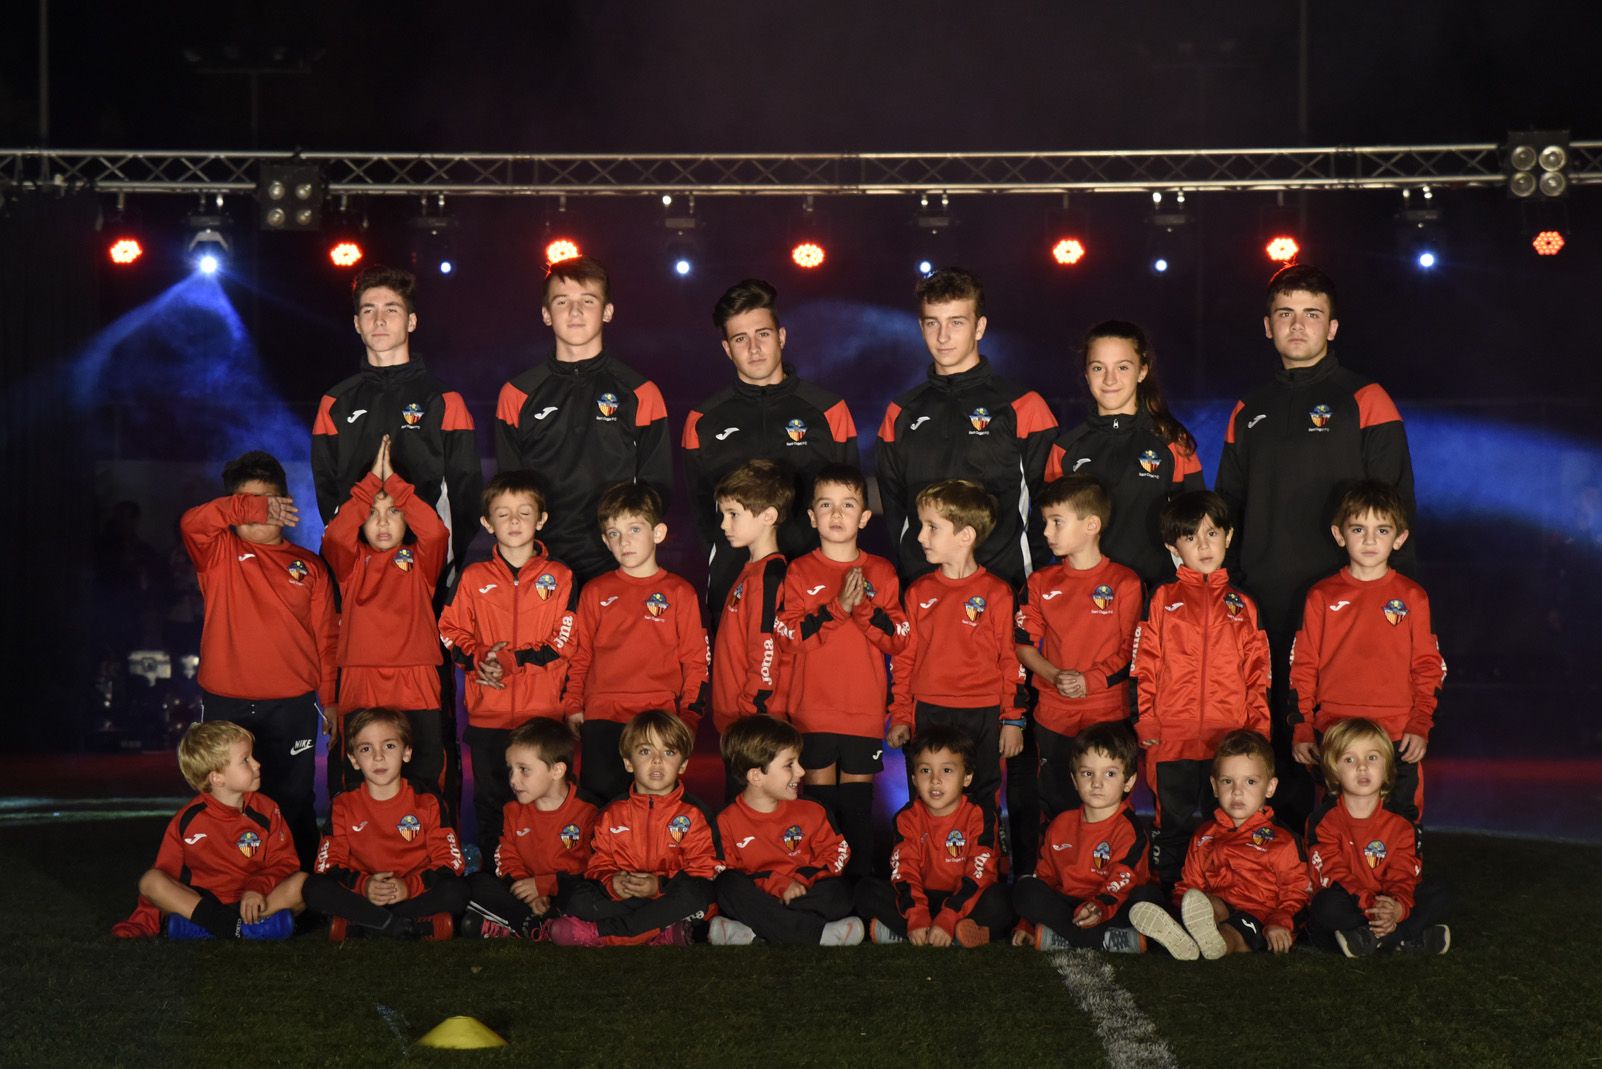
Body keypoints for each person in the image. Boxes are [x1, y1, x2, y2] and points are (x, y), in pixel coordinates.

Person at [1215, 264, 1417, 831]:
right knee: (1279, 733)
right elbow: (1226, 508)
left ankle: (1363, 862)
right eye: (1285, 314)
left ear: (1332, 327)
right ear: (1267, 326)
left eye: (1311, 314)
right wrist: (1228, 589)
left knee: (1348, 742)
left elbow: (1396, 506)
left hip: (1347, 603)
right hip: (1265, 599)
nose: (1297, 325)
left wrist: (1396, 599)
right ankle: (1272, 867)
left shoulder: (1366, 398)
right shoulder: (1246, 408)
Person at [180, 450, 335, 868]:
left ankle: (300, 893)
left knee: (294, 800)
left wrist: (332, 700)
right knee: (226, 802)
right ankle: (227, 887)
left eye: (268, 503)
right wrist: (246, 506)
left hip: (293, 705)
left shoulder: (311, 567)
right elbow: (191, 522)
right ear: (233, 510)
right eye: (248, 505)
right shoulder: (217, 554)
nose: (259, 513)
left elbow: (326, 641)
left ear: (285, 505)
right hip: (226, 704)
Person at [683, 278, 859, 621]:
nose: (753, 348)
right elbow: (702, 515)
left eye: (762, 334)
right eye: (740, 338)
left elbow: (850, 501)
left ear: (781, 336)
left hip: (814, 586)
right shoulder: (703, 420)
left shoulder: (828, 410)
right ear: (726, 349)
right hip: (735, 585)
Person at [875, 267, 1058, 590]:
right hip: (923, 590)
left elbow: (1050, 510)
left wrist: (1028, 584)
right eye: (933, 323)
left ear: (980, 327)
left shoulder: (1023, 406)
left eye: (956, 323)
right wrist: (913, 572)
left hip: (1004, 588)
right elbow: (895, 513)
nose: (943, 337)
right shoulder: (901, 412)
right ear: (921, 328)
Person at [494, 256, 671, 585]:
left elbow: (656, 489)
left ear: (607, 312)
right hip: (541, 563)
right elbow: (510, 493)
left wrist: (628, 546)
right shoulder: (516, 394)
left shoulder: (641, 392)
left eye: (587, 301)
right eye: (563, 302)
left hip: (615, 560)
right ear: (546, 314)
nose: (575, 312)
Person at [774, 463, 908, 877]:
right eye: (826, 505)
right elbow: (789, 636)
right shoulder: (798, 570)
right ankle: (820, 889)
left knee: (855, 815)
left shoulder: (881, 571)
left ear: (864, 517)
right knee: (817, 811)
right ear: (811, 516)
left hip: (862, 713)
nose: (836, 515)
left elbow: (898, 638)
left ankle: (861, 896)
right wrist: (837, 609)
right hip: (812, 712)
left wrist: (863, 607)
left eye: (847, 505)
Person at [311, 264, 484, 582]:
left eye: (391, 309)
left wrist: (439, 565)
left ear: (412, 321)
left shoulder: (444, 401)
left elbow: (466, 499)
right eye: (369, 311)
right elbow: (329, 497)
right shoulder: (334, 404)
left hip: (426, 571)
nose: (378, 320)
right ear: (357, 324)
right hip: (356, 575)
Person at [1133, 491, 1271, 887]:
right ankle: (1169, 900)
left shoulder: (1244, 605)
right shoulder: (1161, 598)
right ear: (1173, 547)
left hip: (1228, 742)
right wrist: (1148, 724)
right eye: (1191, 537)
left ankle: (1228, 898)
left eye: (1212, 533)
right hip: (1172, 738)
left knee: (1229, 826)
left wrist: (1257, 737)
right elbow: (1145, 666)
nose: (1204, 545)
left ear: (1229, 536)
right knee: (1172, 825)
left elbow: (1258, 675)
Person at [437, 472, 576, 862]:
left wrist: (514, 661)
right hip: (489, 717)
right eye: (503, 513)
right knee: (494, 805)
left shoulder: (561, 577)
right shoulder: (472, 576)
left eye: (524, 513)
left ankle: (555, 879)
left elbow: (567, 640)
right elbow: (449, 630)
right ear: (487, 523)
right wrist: (478, 658)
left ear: (541, 519)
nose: (514, 522)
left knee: (552, 804)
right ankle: (494, 889)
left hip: (543, 717)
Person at [1290, 482, 1446, 822]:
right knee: (1336, 820)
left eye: (1382, 530)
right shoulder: (1322, 596)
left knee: (1400, 819)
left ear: (1400, 538)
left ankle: (1399, 877)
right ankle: (1335, 877)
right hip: (1335, 730)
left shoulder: (1412, 597)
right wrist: (1302, 728)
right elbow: (1302, 668)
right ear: (1339, 534)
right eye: (1359, 529)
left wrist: (1420, 724)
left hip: (1397, 733)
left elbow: (1428, 667)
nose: (1371, 540)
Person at [888, 480, 1026, 823]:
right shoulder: (919, 592)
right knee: (927, 798)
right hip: (930, 710)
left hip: (982, 711)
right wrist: (902, 715)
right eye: (922, 526)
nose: (920, 536)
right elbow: (904, 658)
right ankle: (924, 871)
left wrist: (1011, 719)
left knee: (981, 798)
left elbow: (1012, 661)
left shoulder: (997, 593)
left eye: (932, 527)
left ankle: (981, 873)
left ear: (965, 536)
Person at [320, 435, 449, 800]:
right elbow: (335, 537)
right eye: (372, 514)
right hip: (361, 677)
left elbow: (437, 531)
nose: (382, 523)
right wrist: (367, 490)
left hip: (417, 675)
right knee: (358, 776)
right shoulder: (349, 564)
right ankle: (358, 852)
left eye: (393, 512)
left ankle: (430, 854)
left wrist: (392, 483)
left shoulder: (421, 561)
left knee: (423, 770)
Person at [564, 482, 709, 802]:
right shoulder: (595, 591)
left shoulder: (680, 593)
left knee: (654, 810)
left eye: (633, 529)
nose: (623, 541)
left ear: (658, 533)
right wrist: (573, 704)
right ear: (604, 540)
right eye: (614, 533)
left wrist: (688, 718)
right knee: (599, 810)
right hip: (602, 717)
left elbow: (696, 662)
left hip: (657, 720)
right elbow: (580, 654)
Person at [1014, 476, 1142, 821]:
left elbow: (1134, 651)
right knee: (1057, 804)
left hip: (1107, 714)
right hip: (1054, 716)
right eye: (1045, 523)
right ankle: (1057, 873)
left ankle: (1110, 873)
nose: (1046, 532)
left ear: (1091, 525)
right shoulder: (1040, 582)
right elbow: (1023, 645)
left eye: (1056, 522)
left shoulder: (1125, 583)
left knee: (1107, 807)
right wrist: (1055, 676)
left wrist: (1091, 681)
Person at [1044, 320, 1205, 590]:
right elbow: (1050, 531)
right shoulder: (1066, 449)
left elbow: (1197, 524)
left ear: (1142, 371)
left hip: (1155, 594)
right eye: (1098, 368)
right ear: (1086, 374)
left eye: (1122, 367)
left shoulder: (1172, 443)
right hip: (1087, 599)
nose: (1109, 380)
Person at [113, 721, 305, 940]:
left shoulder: (268, 809)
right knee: (150, 881)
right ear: (217, 778)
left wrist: (256, 889)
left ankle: (208, 928)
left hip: (253, 900)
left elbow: (285, 863)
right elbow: (165, 874)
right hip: (203, 904)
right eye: (246, 760)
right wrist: (142, 924)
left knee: (301, 884)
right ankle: (248, 928)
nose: (257, 764)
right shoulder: (188, 819)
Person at [1130, 730, 1311, 959]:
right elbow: (1189, 885)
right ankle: (1180, 932)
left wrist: (1279, 923)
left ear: (1270, 787)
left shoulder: (1282, 840)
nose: (1237, 791)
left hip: (1259, 918)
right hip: (1218, 909)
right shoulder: (1204, 835)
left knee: (1234, 931)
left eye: (1250, 782)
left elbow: (1296, 894)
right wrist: (1180, 906)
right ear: (1214, 787)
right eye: (1228, 781)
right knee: (1204, 903)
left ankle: (1211, 942)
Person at [548, 711, 722, 947]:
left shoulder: (694, 814)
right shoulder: (612, 813)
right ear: (628, 762)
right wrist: (614, 883)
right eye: (645, 751)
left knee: (699, 895)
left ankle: (602, 933)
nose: (657, 760)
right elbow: (598, 865)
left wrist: (658, 886)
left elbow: (705, 870)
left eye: (669, 752)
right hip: (629, 899)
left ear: (683, 765)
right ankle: (663, 932)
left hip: (671, 896)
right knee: (577, 898)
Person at [302, 708, 468, 940]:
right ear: (353, 760)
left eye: (389, 746)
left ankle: (367, 925)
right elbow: (327, 864)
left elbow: (451, 862)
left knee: (456, 891)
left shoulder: (427, 801)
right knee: (314, 888)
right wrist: (365, 885)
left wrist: (408, 887)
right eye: (366, 749)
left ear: (407, 752)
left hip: (411, 893)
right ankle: (406, 926)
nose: (378, 757)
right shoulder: (344, 803)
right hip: (363, 893)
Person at [853, 726, 1013, 947]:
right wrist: (917, 916)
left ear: (966, 778)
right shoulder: (907, 818)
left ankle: (913, 932)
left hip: (965, 902)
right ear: (914, 779)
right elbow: (904, 871)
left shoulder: (980, 816)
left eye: (947, 771)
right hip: (923, 899)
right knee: (865, 891)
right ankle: (950, 934)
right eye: (926, 771)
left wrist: (948, 916)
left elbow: (980, 873)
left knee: (1003, 900)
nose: (935, 780)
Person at [710, 716, 863, 946]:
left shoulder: (812, 810)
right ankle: (817, 934)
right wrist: (779, 886)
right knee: (727, 885)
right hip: (760, 894)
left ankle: (752, 933)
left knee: (840, 893)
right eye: (789, 764)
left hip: (804, 894)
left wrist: (801, 882)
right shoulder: (725, 821)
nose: (801, 771)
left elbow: (838, 853)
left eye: (798, 762)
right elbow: (725, 869)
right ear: (756, 776)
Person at [1305, 718, 1451, 956]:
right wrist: (1370, 905)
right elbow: (1330, 872)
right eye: (1350, 759)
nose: (1362, 767)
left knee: (1439, 892)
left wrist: (1396, 908)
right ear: (1334, 770)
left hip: (1389, 902)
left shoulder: (1402, 824)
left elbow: (1404, 873)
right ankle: (1405, 938)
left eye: (1372, 758)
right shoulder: (1324, 821)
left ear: (1386, 768)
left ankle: (1370, 939)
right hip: (1352, 902)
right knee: (1325, 906)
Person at [1010, 723, 1155, 953]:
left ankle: (1064, 935)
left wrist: (1098, 907)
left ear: (1128, 781)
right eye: (1088, 773)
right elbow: (1045, 876)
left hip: (1111, 905)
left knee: (1146, 898)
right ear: (1075, 780)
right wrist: (1026, 923)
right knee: (1025, 890)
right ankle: (1103, 940)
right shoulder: (1060, 825)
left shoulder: (1129, 829)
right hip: (1069, 905)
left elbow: (1124, 878)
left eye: (1110, 774)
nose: (1097, 783)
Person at [461, 718, 600, 939]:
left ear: (557, 770)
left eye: (524, 770)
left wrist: (545, 886)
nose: (513, 780)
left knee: (587, 897)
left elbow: (593, 866)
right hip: (526, 891)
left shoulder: (589, 811)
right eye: (511, 770)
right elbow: (506, 857)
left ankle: (516, 924)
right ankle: (534, 924)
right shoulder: (512, 811)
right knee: (475, 885)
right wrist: (526, 889)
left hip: (567, 890)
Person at [710, 460, 793, 749]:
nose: (723, 524)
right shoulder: (749, 572)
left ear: (768, 516)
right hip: (736, 722)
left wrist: (751, 714)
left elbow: (766, 648)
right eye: (723, 514)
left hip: (755, 727)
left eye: (733, 514)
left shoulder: (770, 576)